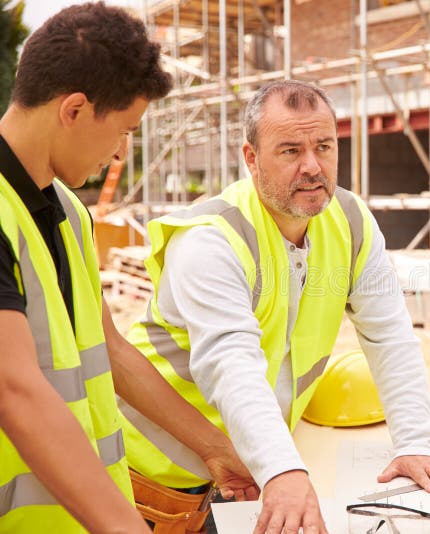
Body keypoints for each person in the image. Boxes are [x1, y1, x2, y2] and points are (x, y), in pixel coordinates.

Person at [120, 79, 430, 534]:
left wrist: (416, 442)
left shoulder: (350, 220)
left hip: (250, 471)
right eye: (289, 151)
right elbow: (232, 363)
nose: (313, 167)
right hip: (154, 481)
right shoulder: (210, 239)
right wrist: (283, 470)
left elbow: (389, 335)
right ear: (251, 158)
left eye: (324, 146)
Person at [0, 4, 258, 532]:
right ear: (73, 110)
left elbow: (110, 349)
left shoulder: (69, 212)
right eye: (124, 130)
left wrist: (215, 449)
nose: (121, 154)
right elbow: (14, 388)